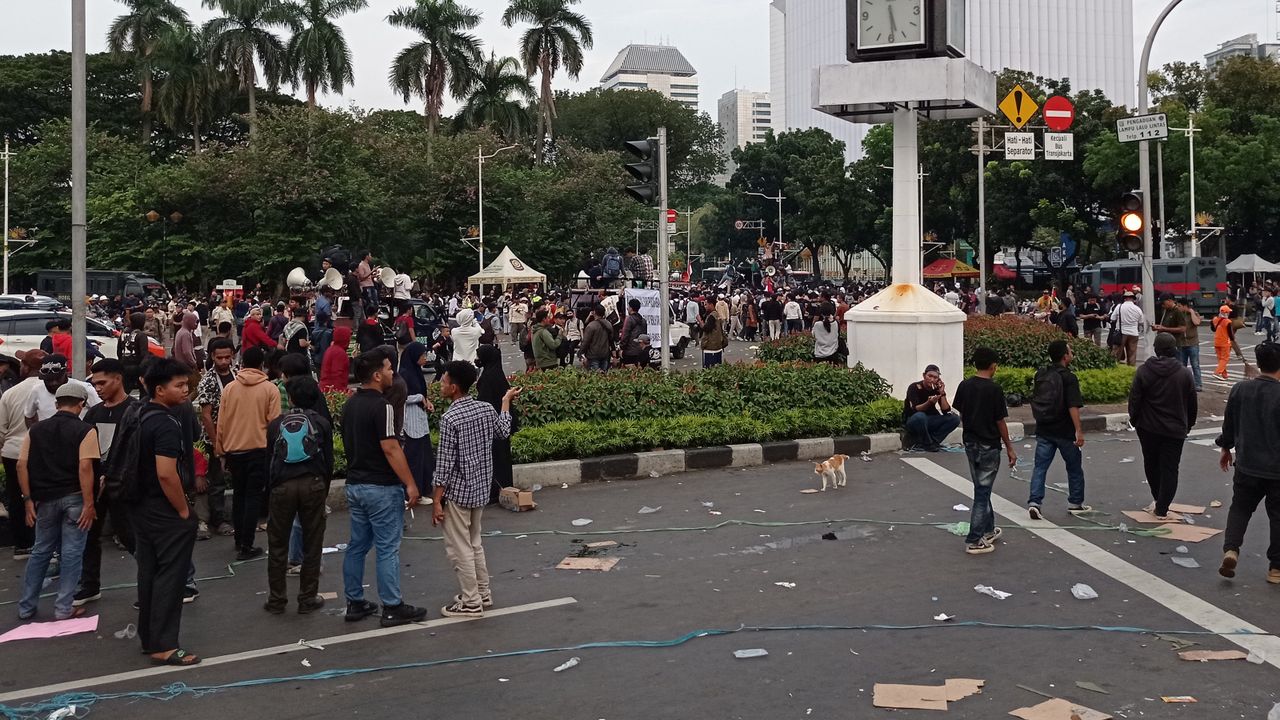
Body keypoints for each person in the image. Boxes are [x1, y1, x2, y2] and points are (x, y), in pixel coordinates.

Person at [342, 353, 426, 626]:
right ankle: (392, 605)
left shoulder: (350, 404)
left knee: (357, 545)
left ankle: (354, 601)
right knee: (388, 547)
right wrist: (411, 483)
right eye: (389, 368)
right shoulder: (383, 406)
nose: (393, 373)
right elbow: (390, 447)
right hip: (381, 487)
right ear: (377, 375)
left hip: (355, 484)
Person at [431, 361, 518, 617]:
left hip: (458, 491)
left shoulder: (450, 418)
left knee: (460, 548)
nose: (440, 385)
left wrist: (437, 500)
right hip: (481, 487)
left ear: (454, 387)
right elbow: (503, 431)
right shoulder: (485, 409)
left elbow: (444, 463)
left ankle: (471, 602)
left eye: (444, 381)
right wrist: (505, 402)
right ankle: (483, 593)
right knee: (475, 543)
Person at [133, 359, 201, 666]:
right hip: (164, 510)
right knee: (171, 578)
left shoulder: (140, 414)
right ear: (159, 390)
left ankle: (150, 639)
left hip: (141, 507)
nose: (185, 391)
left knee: (149, 573)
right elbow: (166, 474)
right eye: (179, 386)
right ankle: (163, 644)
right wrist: (183, 510)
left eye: (186, 385)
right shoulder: (165, 423)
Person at [16, 383, 99, 620]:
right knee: (72, 553)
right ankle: (64, 607)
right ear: (82, 404)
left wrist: (28, 500)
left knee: (41, 551)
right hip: (74, 497)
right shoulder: (85, 430)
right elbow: (85, 467)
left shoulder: (36, 430)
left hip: (44, 499)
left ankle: (26, 606)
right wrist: (89, 503)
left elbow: (21, 465)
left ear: (56, 404)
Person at [263, 377, 333, 615]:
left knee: (277, 544)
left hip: (282, 487)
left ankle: (276, 600)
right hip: (313, 484)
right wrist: (323, 488)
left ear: (290, 399)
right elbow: (328, 461)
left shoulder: (275, 425)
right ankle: (307, 598)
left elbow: (269, 461)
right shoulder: (321, 422)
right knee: (312, 544)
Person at [76, 359, 140, 607]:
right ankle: (90, 586)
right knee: (90, 536)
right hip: (96, 484)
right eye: (95, 384)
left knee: (132, 537)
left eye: (102, 382)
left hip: (124, 485)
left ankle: (152, 587)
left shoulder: (135, 410)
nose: (98, 388)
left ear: (118, 379)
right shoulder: (94, 413)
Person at [216, 345, 281, 561]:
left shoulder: (230, 388)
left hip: (234, 450)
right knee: (253, 495)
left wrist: (221, 451)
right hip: (259, 449)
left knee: (239, 494)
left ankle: (238, 540)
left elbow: (221, 423)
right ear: (262, 365)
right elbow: (274, 425)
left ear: (241, 363)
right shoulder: (270, 389)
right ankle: (247, 544)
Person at [952, 348, 1018, 555]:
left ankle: (988, 529)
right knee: (982, 492)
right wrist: (1009, 447)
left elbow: (962, 412)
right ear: (993, 365)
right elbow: (1000, 421)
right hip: (989, 445)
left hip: (971, 443)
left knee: (982, 488)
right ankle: (974, 539)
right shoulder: (994, 390)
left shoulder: (965, 385)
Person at [1129, 332, 1197, 521]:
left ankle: (1159, 499)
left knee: (1151, 465)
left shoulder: (1144, 371)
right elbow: (1192, 404)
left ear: (1156, 350)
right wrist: (1188, 425)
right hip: (1175, 430)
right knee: (1170, 468)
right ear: (1174, 351)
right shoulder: (1184, 373)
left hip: (1148, 427)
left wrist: (1135, 420)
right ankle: (1162, 507)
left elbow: (1134, 400)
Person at [1027, 340, 1089, 519]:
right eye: (1070, 350)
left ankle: (1034, 502)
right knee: (1074, 467)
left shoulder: (1041, 373)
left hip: (1044, 428)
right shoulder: (1069, 377)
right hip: (1065, 431)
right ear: (1065, 356)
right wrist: (1079, 430)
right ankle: (1075, 502)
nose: (1072, 352)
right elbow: (1073, 406)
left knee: (1040, 467)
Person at [0, 349, 47, 559]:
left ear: (26, 367)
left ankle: (22, 545)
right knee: (45, 496)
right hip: (44, 453)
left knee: (17, 497)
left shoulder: (11, 393)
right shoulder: (54, 389)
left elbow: (1, 429)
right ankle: (44, 543)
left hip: (13, 451)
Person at [194, 338, 237, 539]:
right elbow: (206, 415)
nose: (223, 361)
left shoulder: (237, 376)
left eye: (227, 357)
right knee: (217, 482)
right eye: (219, 357)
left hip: (238, 437)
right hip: (216, 440)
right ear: (212, 356)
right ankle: (218, 521)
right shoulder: (209, 381)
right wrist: (217, 444)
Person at [475, 345, 515, 505]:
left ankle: (495, 492)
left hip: (493, 424)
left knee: (494, 458)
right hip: (501, 422)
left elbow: (485, 401)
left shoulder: (488, 377)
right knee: (501, 457)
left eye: (479, 356)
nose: (477, 360)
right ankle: (504, 488)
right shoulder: (496, 373)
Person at [399, 342, 435, 504]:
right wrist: (420, 398)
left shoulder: (416, 372)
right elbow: (402, 397)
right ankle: (411, 493)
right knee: (413, 457)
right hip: (410, 420)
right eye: (422, 356)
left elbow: (421, 393)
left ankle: (422, 490)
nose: (425, 359)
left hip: (419, 418)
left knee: (423, 456)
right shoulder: (405, 374)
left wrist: (426, 401)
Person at [24, 354, 100, 424]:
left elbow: (100, 411)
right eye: (49, 380)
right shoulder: (37, 390)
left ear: (66, 373)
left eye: (57, 379)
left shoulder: (84, 388)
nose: (53, 383)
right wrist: (34, 435)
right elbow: (28, 416)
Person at [902, 365, 960, 452]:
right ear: (924, 376)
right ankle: (927, 444)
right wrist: (929, 402)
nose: (932, 379)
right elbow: (916, 409)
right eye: (930, 376)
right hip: (914, 419)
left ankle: (932, 441)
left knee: (955, 418)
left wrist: (942, 393)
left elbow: (945, 410)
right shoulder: (914, 387)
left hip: (931, 419)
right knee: (920, 416)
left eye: (935, 377)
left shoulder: (936, 389)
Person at [1175, 297, 1204, 391]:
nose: (1178, 307)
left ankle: (1198, 384)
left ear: (1185, 306)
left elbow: (1197, 322)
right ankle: (1183, 384)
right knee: (1182, 365)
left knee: (1195, 364)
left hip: (1192, 343)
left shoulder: (1193, 314)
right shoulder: (1178, 315)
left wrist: (1191, 312)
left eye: (1179, 306)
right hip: (1182, 343)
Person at [1111, 291, 1146, 366]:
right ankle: (1131, 371)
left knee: (1117, 354)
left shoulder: (1119, 307)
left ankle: (1115, 370)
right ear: (1133, 299)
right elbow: (1141, 321)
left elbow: (1112, 318)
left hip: (1121, 333)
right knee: (1132, 354)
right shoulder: (1138, 309)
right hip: (1134, 333)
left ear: (1124, 299)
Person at [580, 304, 613, 372]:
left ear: (594, 312)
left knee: (594, 376)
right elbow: (611, 339)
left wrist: (581, 353)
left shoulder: (591, 326)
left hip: (593, 355)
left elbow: (585, 341)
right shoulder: (609, 324)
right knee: (604, 376)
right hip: (605, 354)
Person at [320, 326, 353, 392]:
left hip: (326, 387)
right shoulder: (339, 352)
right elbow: (337, 375)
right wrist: (341, 392)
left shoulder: (331, 349)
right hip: (332, 390)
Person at [619, 298, 648, 368]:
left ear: (631, 308)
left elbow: (625, 335)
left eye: (628, 307)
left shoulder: (629, 319)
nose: (627, 308)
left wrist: (621, 348)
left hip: (629, 352)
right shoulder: (643, 320)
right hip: (641, 351)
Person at [700, 298, 728, 369]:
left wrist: (700, 322)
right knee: (717, 368)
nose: (705, 306)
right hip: (718, 345)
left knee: (709, 368)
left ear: (711, 304)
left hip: (710, 347)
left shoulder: (712, 316)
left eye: (706, 304)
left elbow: (707, 329)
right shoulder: (716, 314)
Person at [1212, 305, 1236, 380]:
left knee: (1220, 359)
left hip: (1216, 341)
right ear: (1226, 313)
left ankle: (1224, 374)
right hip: (1224, 342)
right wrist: (1233, 339)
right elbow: (1230, 333)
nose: (1229, 314)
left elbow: (1213, 329)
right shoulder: (1227, 322)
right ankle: (1217, 372)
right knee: (1225, 359)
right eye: (1228, 312)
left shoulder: (1215, 319)